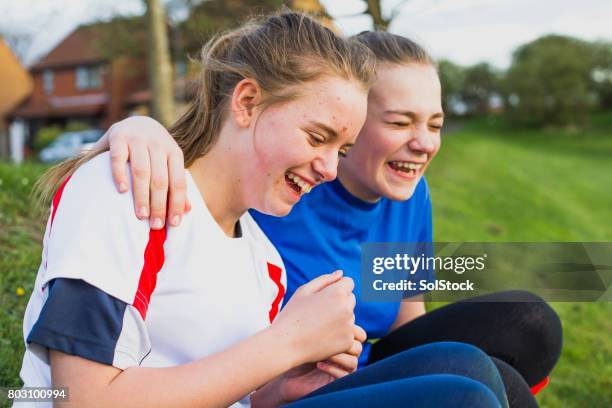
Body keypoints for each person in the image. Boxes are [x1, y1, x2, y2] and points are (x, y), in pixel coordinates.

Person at [18, 13, 508, 408]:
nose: (329, 170)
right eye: (318, 137)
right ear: (247, 101)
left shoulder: (262, 261)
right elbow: (78, 399)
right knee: (461, 396)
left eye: (341, 149)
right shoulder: (128, 188)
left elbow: (232, 391)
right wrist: (287, 343)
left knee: (470, 368)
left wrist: (281, 388)